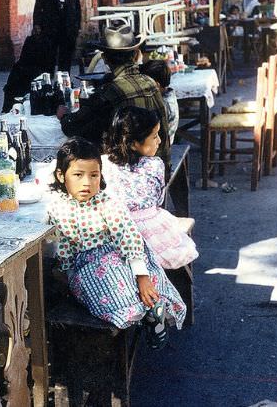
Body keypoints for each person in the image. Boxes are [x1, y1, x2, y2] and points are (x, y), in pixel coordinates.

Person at [47, 137, 185, 348]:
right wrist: (65, 271)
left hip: (121, 256)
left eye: (94, 175)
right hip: (85, 266)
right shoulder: (58, 207)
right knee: (102, 285)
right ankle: (146, 315)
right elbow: (64, 247)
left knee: (124, 279)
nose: (87, 182)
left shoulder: (107, 203)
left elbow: (129, 238)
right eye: (78, 175)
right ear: (60, 175)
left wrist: (142, 277)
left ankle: (149, 312)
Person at [58, 33, 171, 172]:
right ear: (135, 55)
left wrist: (63, 116)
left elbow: (73, 127)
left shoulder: (111, 91)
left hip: (135, 171)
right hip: (161, 163)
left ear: (104, 58)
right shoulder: (150, 81)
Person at [101, 106, 198, 269]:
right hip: (150, 233)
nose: (159, 141)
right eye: (154, 137)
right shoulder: (155, 164)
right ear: (133, 144)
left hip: (114, 231)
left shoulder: (102, 163)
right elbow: (158, 200)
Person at [140, 60, 178, 144]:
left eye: (144, 82)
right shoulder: (167, 94)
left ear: (156, 85)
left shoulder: (163, 104)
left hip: (160, 146)